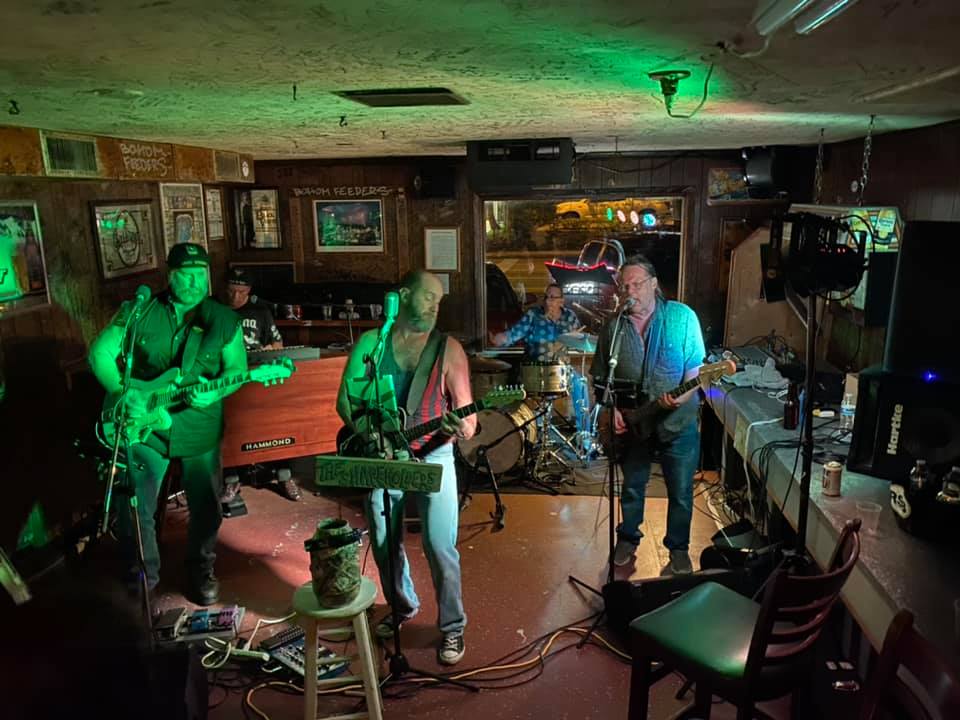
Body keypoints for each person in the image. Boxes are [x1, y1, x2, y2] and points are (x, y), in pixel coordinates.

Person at [88, 242, 246, 605]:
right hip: (145, 426)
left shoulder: (222, 319)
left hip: (198, 423)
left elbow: (236, 370)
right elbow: (100, 353)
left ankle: (200, 571)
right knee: (133, 504)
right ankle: (143, 577)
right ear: (169, 275)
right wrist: (123, 392)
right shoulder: (139, 311)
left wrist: (214, 393)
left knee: (206, 506)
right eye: (184, 275)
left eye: (199, 275)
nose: (193, 282)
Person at [336, 270, 475, 666]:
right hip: (383, 456)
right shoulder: (371, 343)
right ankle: (402, 606)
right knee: (382, 539)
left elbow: (469, 422)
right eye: (428, 296)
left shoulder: (447, 349)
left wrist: (459, 424)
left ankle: (452, 626)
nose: (435, 305)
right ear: (401, 296)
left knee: (438, 545)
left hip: (433, 455)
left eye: (439, 300)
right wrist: (370, 435)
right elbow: (345, 401)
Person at [590, 254, 705, 575]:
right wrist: (610, 407)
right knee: (632, 486)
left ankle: (678, 549)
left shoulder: (682, 318)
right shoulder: (614, 328)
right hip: (634, 425)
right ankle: (627, 537)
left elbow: (695, 372)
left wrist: (681, 397)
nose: (631, 292)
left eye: (637, 284)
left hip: (677, 424)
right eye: (625, 287)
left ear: (654, 284)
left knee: (681, 492)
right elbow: (600, 378)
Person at [221, 268, 300, 501]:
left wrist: (267, 351)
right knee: (228, 426)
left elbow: (278, 344)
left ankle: (284, 474)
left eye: (241, 293)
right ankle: (231, 481)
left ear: (250, 292)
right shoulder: (215, 310)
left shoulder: (260, 312)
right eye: (231, 291)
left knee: (276, 422)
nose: (235, 297)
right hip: (228, 377)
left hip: (259, 374)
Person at [488, 282, 580, 362]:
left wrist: (577, 339)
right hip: (535, 371)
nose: (548, 301)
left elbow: (580, 343)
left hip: (561, 372)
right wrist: (501, 338)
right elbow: (515, 333)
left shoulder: (570, 317)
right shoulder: (533, 315)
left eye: (552, 298)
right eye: (546, 297)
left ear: (561, 301)